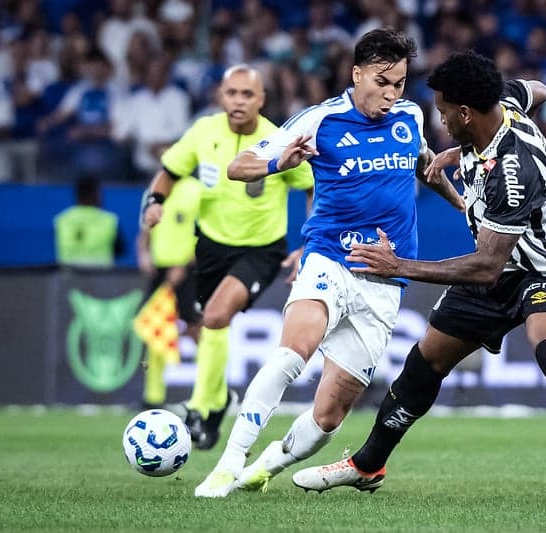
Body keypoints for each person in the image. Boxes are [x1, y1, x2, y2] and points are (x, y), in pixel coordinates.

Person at [292, 50, 546, 508]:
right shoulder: (500, 105)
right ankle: (367, 465)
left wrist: (398, 265)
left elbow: (485, 264)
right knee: (426, 361)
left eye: (444, 112)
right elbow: (539, 88)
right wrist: (459, 149)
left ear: (465, 112)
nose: (440, 120)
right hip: (499, 270)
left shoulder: (512, 170)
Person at [193, 28, 463, 498]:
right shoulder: (321, 120)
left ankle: (264, 467)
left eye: (399, 82)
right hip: (331, 258)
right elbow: (240, 167)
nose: (391, 92)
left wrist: (461, 205)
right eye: (382, 80)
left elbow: (424, 165)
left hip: (385, 278)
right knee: (292, 353)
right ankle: (227, 464)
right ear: (357, 74)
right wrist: (282, 162)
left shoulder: (409, 116)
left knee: (328, 417)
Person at [141, 64, 315, 450]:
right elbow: (170, 171)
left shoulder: (277, 139)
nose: (239, 101)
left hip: (261, 249)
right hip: (210, 247)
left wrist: (310, 241)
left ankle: (200, 408)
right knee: (208, 325)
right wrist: (155, 203)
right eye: (232, 93)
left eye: (247, 94)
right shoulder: (204, 133)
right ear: (221, 96)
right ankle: (218, 403)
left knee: (216, 316)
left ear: (262, 100)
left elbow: (311, 187)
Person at [136, 174, 202, 409]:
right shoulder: (155, 190)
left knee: (196, 329)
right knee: (155, 330)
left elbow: (205, 233)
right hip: (160, 271)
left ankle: (209, 392)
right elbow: (145, 230)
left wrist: (183, 265)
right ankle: (153, 397)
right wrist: (143, 254)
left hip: (187, 270)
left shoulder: (196, 190)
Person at [54, 176, 122, 267]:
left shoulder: (61, 220)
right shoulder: (109, 220)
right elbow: (120, 250)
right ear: (96, 194)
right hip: (101, 277)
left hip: (69, 278)